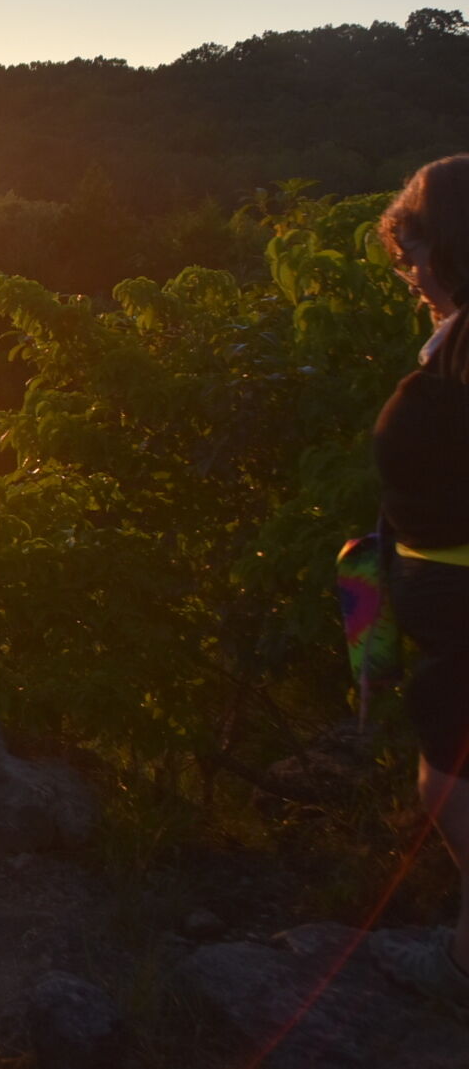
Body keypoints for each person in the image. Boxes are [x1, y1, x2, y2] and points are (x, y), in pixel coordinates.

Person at [373, 153, 469, 1006]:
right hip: (442, 615)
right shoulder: (457, 338)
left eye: (412, 248)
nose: (406, 267)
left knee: (449, 779)